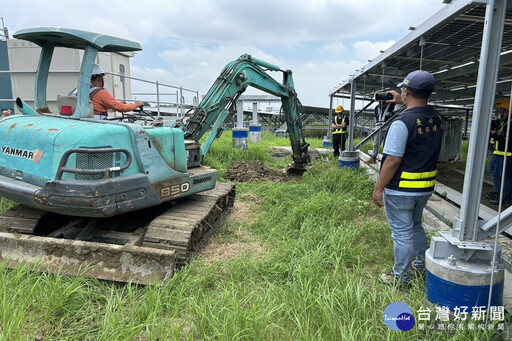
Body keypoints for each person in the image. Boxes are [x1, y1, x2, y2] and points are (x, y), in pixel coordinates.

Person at [372, 70, 443, 287]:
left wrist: (378, 188)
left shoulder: (402, 122)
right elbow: (418, 109)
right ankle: (421, 264)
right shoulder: (436, 118)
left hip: (401, 188)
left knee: (402, 233)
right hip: (424, 187)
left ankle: (401, 278)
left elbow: (392, 160)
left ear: (405, 90)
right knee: (416, 225)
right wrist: (403, 100)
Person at [486, 97, 512, 206]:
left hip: (507, 155)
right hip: (501, 153)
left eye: (502, 109)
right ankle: (501, 194)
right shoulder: (504, 122)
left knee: (506, 178)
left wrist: (495, 134)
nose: (500, 111)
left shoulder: (509, 124)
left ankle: (505, 199)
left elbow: (505, 140)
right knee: (499, 175)